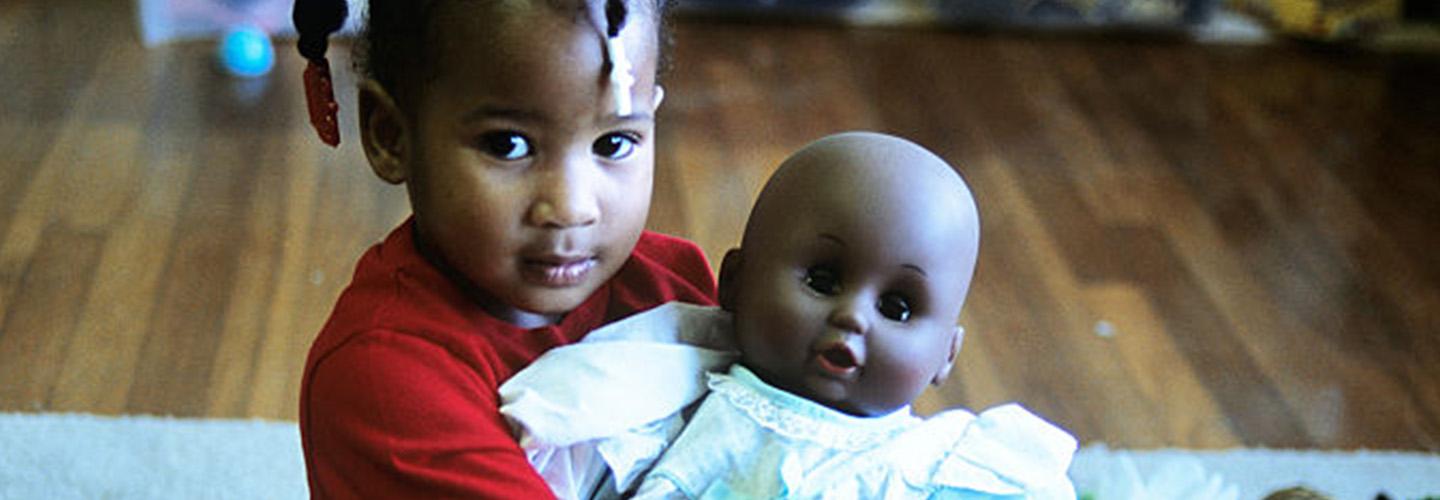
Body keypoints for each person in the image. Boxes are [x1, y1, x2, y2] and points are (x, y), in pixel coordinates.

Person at [290, 0, 717, 497]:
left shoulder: (672, 285)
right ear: (391, 135)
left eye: (614, 143)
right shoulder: (384, 378)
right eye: (508, 145)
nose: (571, 207)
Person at [501, 132, 1078, 499]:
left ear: (944, 356)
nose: (853, 316)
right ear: (735, 284)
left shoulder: (942, 472)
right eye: (823, 281)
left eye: (897, 307)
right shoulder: (665, 407)